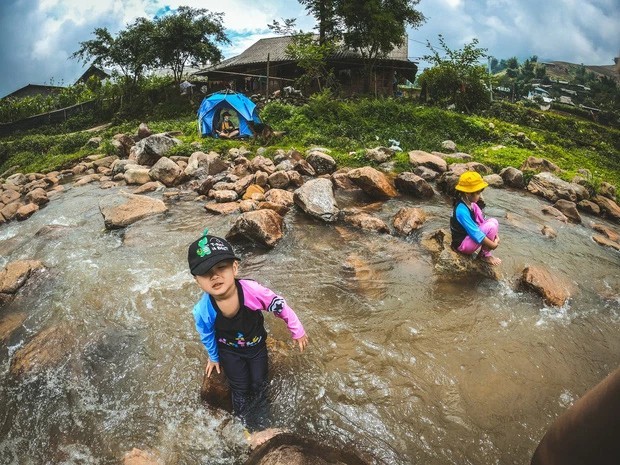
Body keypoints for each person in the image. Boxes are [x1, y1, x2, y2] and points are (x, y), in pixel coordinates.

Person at [188, 230, 309, 431]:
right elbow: (207, 333)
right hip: (230, 352)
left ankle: (263, 416)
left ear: (235, 268)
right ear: (197, 280)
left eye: (221, 267)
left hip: (257, 347)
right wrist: (214, 356)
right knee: (240, 387)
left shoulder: (252, 291)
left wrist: (297, 330)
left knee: (259, 383)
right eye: (206, 272)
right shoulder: (203, 310)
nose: (215, 275)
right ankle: (244, 422)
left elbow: (280, 306)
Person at [450, 171, 501, 266]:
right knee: (491, 226)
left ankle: (484, 253)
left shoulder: (473, 205)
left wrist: (496, 236)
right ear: (467, 193)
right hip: (462, 245)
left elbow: (482, 221)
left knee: (494, 221)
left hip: (468, 238)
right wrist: (493, 245)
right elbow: (476, 234)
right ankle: (484, 255)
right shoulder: (461, 211)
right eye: (478, 193)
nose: (480, 196)